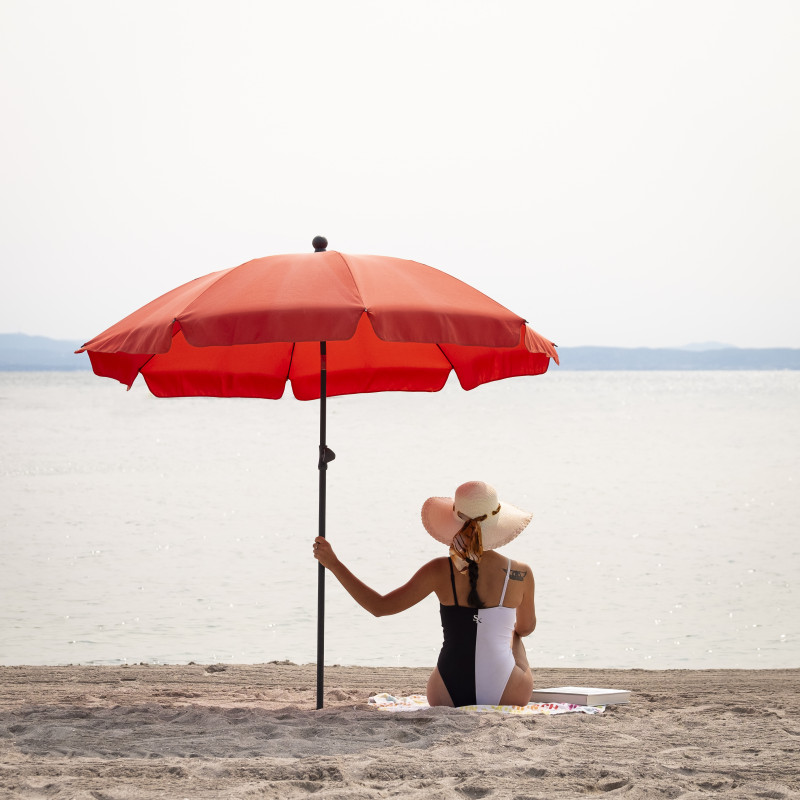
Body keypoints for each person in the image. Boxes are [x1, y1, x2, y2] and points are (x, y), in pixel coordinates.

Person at [312, 480, 536, 707]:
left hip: (447, 694)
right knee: (515, 634)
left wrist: (334, 564)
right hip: (508, 693)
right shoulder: (520, 573)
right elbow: (526, 628)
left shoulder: (439, 570)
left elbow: (379, 607)